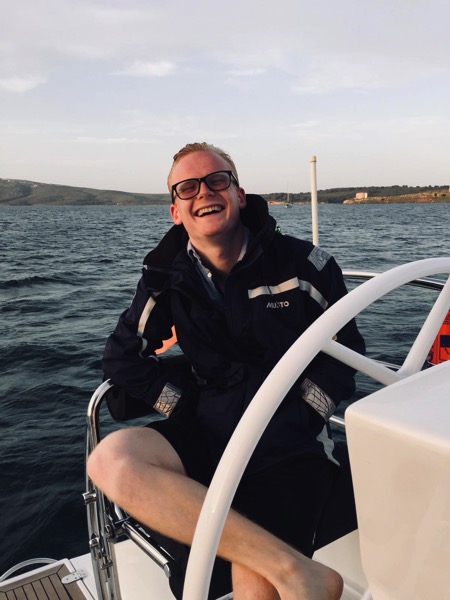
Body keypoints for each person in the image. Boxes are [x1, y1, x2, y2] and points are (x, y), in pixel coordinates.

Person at [87, 142, 365, 600]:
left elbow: (345, 353)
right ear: (175, 211)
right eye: (188, 187)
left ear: (238, 194)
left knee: (254, 591)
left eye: (217, 180)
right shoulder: (166, 277)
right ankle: (301, 573)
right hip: (210, 429)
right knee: (109, 460)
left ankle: (290, 573)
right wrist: (181, 402)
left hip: (288, 442)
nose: (204, 192)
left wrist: (302, 414)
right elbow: (122, 358)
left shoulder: (302, 265)